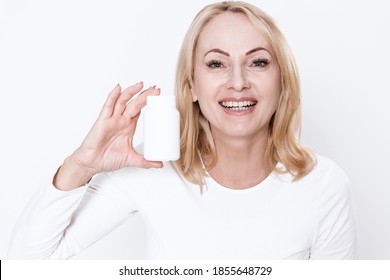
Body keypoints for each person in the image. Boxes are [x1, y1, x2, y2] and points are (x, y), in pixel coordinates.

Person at [7, 1, 357, 259]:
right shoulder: (152, 169)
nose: (238, 82)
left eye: (258, 62)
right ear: (191, 85)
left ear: (282, 81)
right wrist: (81, 165)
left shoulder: (324, 186)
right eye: (216, 63)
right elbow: (25, 262)